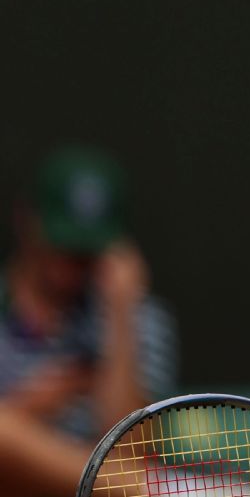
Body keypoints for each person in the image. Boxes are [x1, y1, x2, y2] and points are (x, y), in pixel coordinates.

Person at [0, 146, 176, 497]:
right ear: (26, 221)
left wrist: (121, 317)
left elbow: (130, 451)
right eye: (62, 242)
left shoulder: (139, 317)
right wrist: (30, 405)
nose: (73, 261)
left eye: (87, 249)